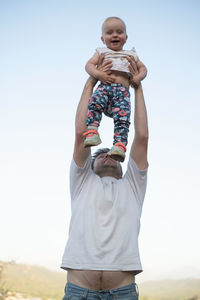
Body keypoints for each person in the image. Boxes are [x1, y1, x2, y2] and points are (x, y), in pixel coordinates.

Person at [61, 56, 149, 300]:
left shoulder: (132, 185)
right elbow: (81, 135)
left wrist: (137, 88)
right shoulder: (83, 182)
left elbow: (141, 138)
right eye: (101, 155)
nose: (108, 155)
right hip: (79, 291)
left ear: (123, 168)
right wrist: (92, 79)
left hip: (123, 292)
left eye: (112, 154)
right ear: (90, 165)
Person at [84, 16, 147, 162]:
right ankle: (92, 131)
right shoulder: (101, 52)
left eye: (119, 32)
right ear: (102, 39)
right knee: (94, 103)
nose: (115, 35)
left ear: (126, 37)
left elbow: (143, 68)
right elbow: (89, 65)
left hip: (122, 93)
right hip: (105, 87)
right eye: (109, 32)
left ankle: (119, 145)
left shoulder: (132, 54)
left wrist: (138, 78)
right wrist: (98, 74)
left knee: (123, 119)